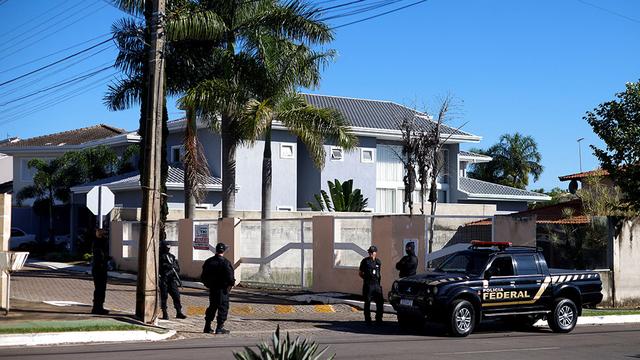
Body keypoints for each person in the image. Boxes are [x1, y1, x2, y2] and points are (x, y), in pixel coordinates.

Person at [201, 243, 235, 334]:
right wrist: (231, 284)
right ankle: (219, 328)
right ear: (223, 251)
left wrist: (208, 285)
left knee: (212, 306)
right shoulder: (225, 262)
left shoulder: (209, 261)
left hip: (213, 289)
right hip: (222, 289)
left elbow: (203, 276)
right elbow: (230, 277)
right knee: (223, 308)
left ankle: (207, 326)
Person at [159, 242, 186, 320]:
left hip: (172, 280)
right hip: (164, 279)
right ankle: (164, 312)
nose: (168, 248)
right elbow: (159, 268)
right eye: (166, 247)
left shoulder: (172, 257)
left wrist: (173, 269)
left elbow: (177, 268)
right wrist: (167, 269)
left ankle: (179, 312)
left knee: (176, 296)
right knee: (164, 297)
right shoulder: (159, 257)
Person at [359, 245, 384, 325]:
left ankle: (379, 319)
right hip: (368, 285)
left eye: (372, 252)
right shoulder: (365, 261)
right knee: (367, 302)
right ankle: (368, 320)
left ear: (375, 253)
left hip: (377, 285)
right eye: (369, 252)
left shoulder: (378, 262)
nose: (370, 253)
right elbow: (360, 273)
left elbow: (378, 273)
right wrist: (366, 279)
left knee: (380, 302)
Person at [91, 228, 109, 315]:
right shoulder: (99, 243)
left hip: (100, 268)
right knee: (99, 289)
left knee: (101, 289)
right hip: (99, 268)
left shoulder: (98, 242)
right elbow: (100, 256)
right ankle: (97, 307)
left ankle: (99, 307)